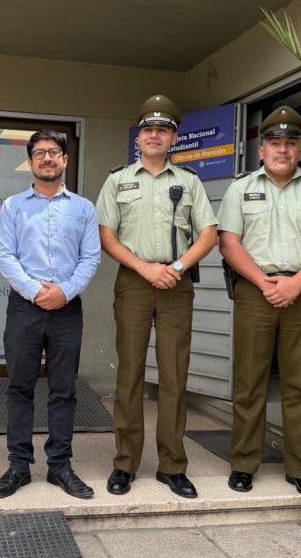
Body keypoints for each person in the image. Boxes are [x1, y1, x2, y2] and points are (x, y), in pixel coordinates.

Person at [96, 95, 218, 498]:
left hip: (176, 283)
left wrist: (178, 268)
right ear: (139, 137)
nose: (154, 136)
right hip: (134, 281)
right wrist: (145, 268)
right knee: (129, 373)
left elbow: (208, 234)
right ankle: (125, 463)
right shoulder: (118, 180)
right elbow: (106, 237)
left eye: (162, 130)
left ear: (173, 138)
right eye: (148, 129)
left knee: (174, 375)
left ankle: (172, 465)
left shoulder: (190, 182)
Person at [218, 106, 301, 497]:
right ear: (261, 150)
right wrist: (264, 282)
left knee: (299, 382)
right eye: (275, 142)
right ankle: (243, 464)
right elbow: (228, 242)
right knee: (250, 381)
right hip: (255, 291)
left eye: (291, 143)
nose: (282, 149)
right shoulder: (240, 188)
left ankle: (300, 468)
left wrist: (297, 282)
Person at [0, 130, 101, 500]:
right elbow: (5, 256)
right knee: (20, 387)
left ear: (65, 160)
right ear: (31, 161)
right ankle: (19, 466)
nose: (47, 158)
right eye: (40, 153)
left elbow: (90, 258)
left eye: (54, 152)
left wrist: (64, 292)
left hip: (67, 308)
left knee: (63, 390)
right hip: (25, 307)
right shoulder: (14, 206)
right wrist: (37, 291)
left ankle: (60, 466)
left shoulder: (83, 208)